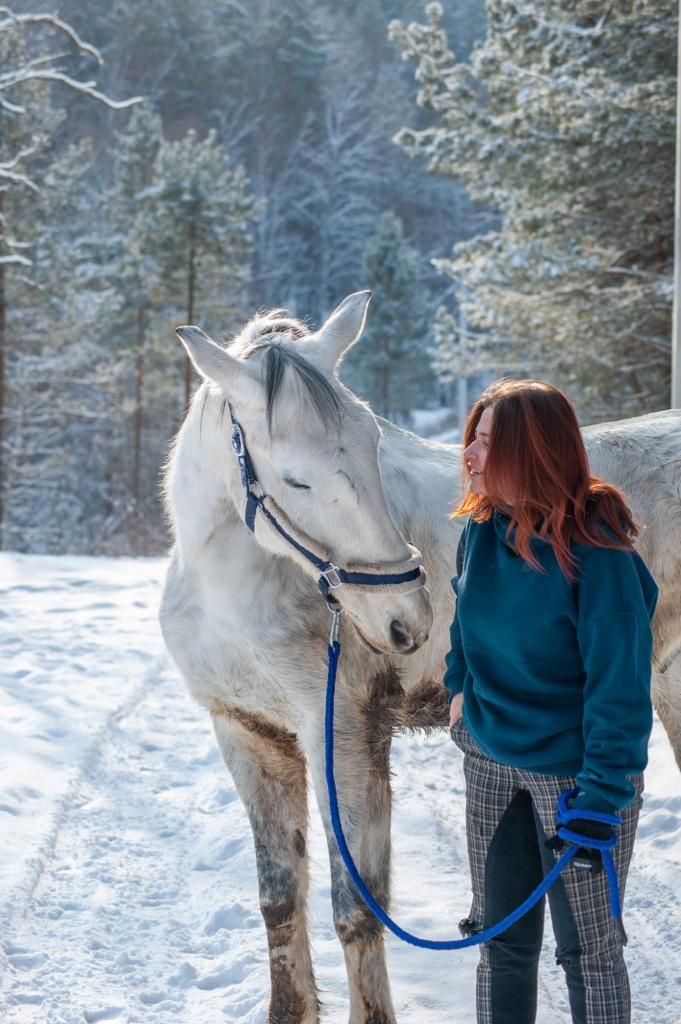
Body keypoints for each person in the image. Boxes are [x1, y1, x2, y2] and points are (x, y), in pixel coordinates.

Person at [444, 379, 658, 1024]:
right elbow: (464, 620)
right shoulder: (482, 530)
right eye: (472, 439)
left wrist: (603, 793)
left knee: (588, 954)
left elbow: (620, 685)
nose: (470, 456)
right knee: (500, 943)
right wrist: (459, 689)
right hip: (489, 759)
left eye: (487, 442)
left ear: (531, 451)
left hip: (577, 780)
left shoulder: (598, 549)